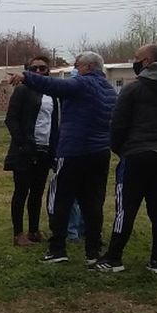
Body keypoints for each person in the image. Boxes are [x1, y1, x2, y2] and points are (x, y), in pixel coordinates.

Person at [11, 51, 117, 265]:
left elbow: (57, 87)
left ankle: (57, 249)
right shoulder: (109, 90)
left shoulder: (83, 84)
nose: (74, 70)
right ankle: (92, 252)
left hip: (74, 152)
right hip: (100, 153)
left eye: (77, 66)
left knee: (60, 200)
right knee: (93, 202)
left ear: (87, 67)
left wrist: (27, 77)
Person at [97, 44, 157, 274]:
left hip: (135, 155)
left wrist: (120, 148)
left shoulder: (133, 89)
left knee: (125, 208)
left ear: (146, 61)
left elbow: (117, 124)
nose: (133, 61)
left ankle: (113, 258)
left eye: (136, 58)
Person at [3, 56, 59, 246]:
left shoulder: (52, 93)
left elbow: (55, 123)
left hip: (45, 149)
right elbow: (11, 119)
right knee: (21, 191)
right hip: (25, 150)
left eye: (42, 68)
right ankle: (18, 234)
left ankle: (34, 231)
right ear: (27, 70)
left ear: (48, 70)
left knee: (37, 192)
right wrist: (23, 144)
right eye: (33, 68)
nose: (38, 72)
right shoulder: (23, 90)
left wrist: (55, 147)